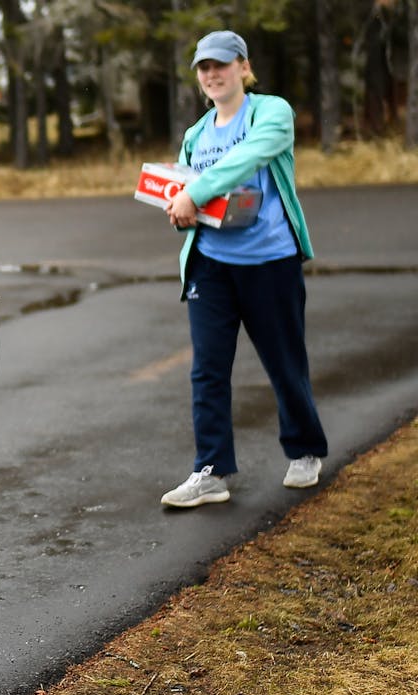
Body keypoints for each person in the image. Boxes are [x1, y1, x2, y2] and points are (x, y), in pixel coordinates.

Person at [160, 29, 328, 509]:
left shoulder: (271, 113)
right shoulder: (196, 134)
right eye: (204, 67)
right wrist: (179, 205)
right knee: (208, 370)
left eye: (221, 64)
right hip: (211, 266)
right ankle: (211, 472)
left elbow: (246, 158)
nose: (212, 74)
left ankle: (305, 449)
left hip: (269, 262)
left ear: (243, 67)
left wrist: (194, 192)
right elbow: (183, 192)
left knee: (283, 361)